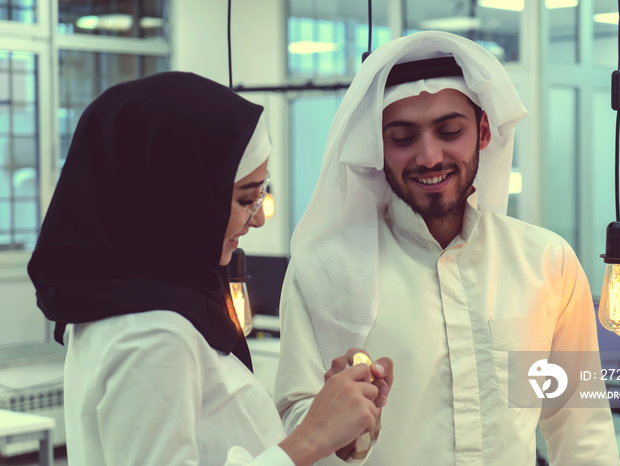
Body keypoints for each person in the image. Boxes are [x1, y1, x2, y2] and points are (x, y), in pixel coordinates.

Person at [274, 31, 620, 465]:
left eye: (450, 131)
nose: (430, 156)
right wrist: (336, 422)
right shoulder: (323, 268)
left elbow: (580, 430)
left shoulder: (546, 263)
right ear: (377, 148)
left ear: (484, 132)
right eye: (402, 138)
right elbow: (294, 418)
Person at [27, 71, 392, 466]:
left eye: (260, 194)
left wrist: (327, 421)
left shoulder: (135, 307)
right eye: (243, 199)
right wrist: (308, 439)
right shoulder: (152, 334)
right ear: (176, 196)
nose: (258, 220)